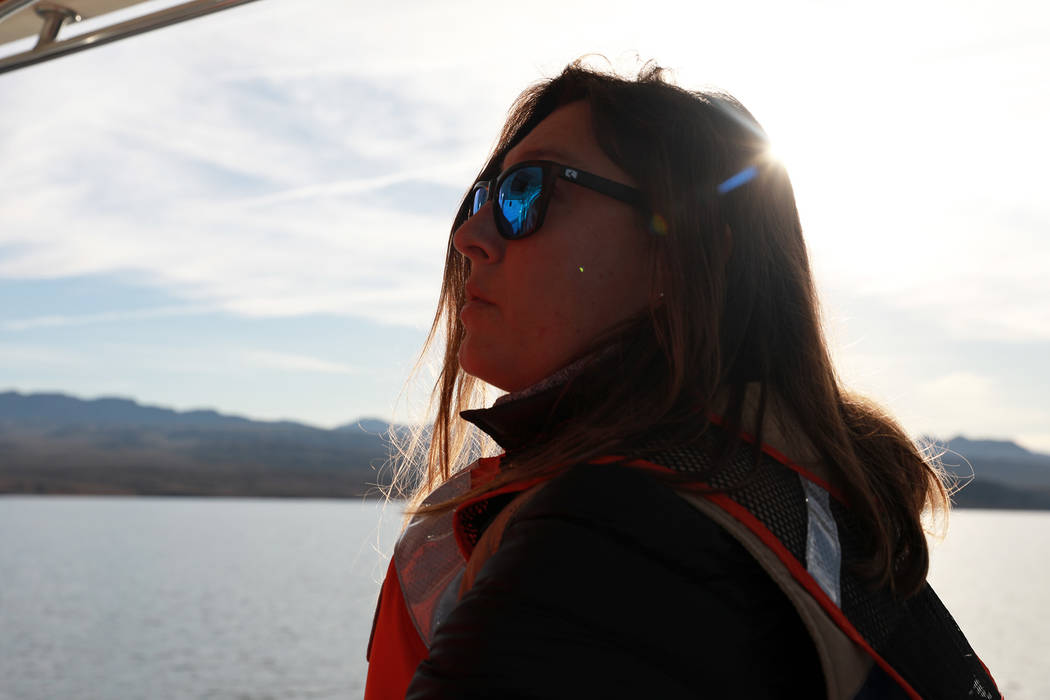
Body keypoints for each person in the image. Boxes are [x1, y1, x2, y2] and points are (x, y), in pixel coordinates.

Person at [364, 60, 1000, 699]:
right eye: (480, 199)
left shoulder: (614, 542)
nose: (469, 237)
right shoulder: (797, 513)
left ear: (682, 254)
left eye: (526, 192)